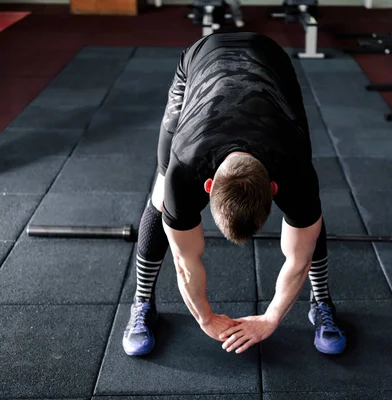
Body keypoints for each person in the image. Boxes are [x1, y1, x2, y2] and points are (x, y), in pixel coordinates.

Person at [122, 32, 346, 357]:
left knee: (307, 214)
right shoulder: (184, 166)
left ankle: (321, 300)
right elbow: (185, 263)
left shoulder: (293, 164)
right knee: (162, 195)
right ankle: (141, 301)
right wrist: (205, 319)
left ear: (273, 187)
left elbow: (299, 258)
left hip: (271, 62)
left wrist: (271, 318)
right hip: (200, 60)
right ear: (208, 185)